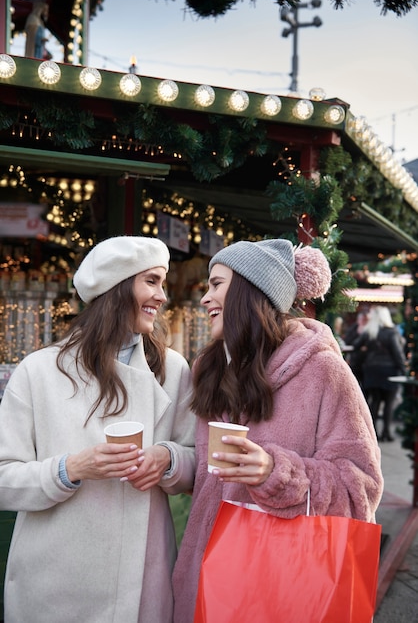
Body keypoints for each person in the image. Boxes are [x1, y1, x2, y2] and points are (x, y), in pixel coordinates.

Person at [172, 239, 383, 622]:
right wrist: (168, 462)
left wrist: (275, 473)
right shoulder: (210, 369)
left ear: (251, 289)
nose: (205, 298)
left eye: (216, 284)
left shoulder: (324, 372)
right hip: (206, 576)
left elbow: (361, 488)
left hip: (285, 586)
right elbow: (207, 473)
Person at [0, 236, 195, 623]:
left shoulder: (173, 369)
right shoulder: (39, 371)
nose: (162, 295)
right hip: (54, 580)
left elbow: (195, 459)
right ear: (117, 286)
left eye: (163, 283)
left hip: (141, 581)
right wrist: (70, 469)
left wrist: (168, 460)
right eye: (152, 281)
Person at [353, 305, 406, 442]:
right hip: (389, 371)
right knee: (388, 403)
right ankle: (386, 433)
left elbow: (356, 346)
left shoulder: (368, 331)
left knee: (374, 401)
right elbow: (397, 353)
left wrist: (365, 350)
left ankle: (372, 433)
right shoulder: (391, 332)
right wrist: (403, 369)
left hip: (371, 370)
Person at [344, 309, 369, 389]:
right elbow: (347, 341)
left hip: (366, 362)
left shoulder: (370, 330)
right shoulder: (354, 328)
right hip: (355, 361)